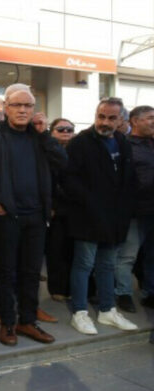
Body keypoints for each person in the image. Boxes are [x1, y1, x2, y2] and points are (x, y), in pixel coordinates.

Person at [0, 83, 66, 346]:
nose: (23, 110)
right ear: (6, 107)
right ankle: (8, 322)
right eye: (17, 105)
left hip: (36, 216)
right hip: (6, 216)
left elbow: (62, 163)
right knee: (5, 272)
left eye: (28, 106)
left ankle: (27, 321)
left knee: (31, 272)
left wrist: (46, 134)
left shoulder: (40, 137)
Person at [64, 97, 138, 335]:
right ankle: (80, 312)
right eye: (101, 116)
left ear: (121, 120)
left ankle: (107, 310)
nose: (104, 122)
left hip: (115, 220)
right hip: (88, 218)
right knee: (84, 264)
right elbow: (69, 180)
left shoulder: (122, 143)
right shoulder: (80, 143)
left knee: (107, 265)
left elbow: (128, 180)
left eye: (111, 118)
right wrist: (92, 205)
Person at [45, 118, 75, 302]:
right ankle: (56, 288)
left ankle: (71, 287)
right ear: (52, 132)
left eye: (69, 129)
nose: (65, 132)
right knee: (55, 250)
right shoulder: (46, 152)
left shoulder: (78, 151)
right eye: (61, 129)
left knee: (72, 250)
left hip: (74, 209)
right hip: (54, 209)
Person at [127, 106, 154, 309]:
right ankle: (121, 294)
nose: (153, 122)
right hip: (136, 211)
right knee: (129, 255)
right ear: (135, 121)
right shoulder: (126, 145)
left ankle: (150, 292)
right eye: (150, 118)